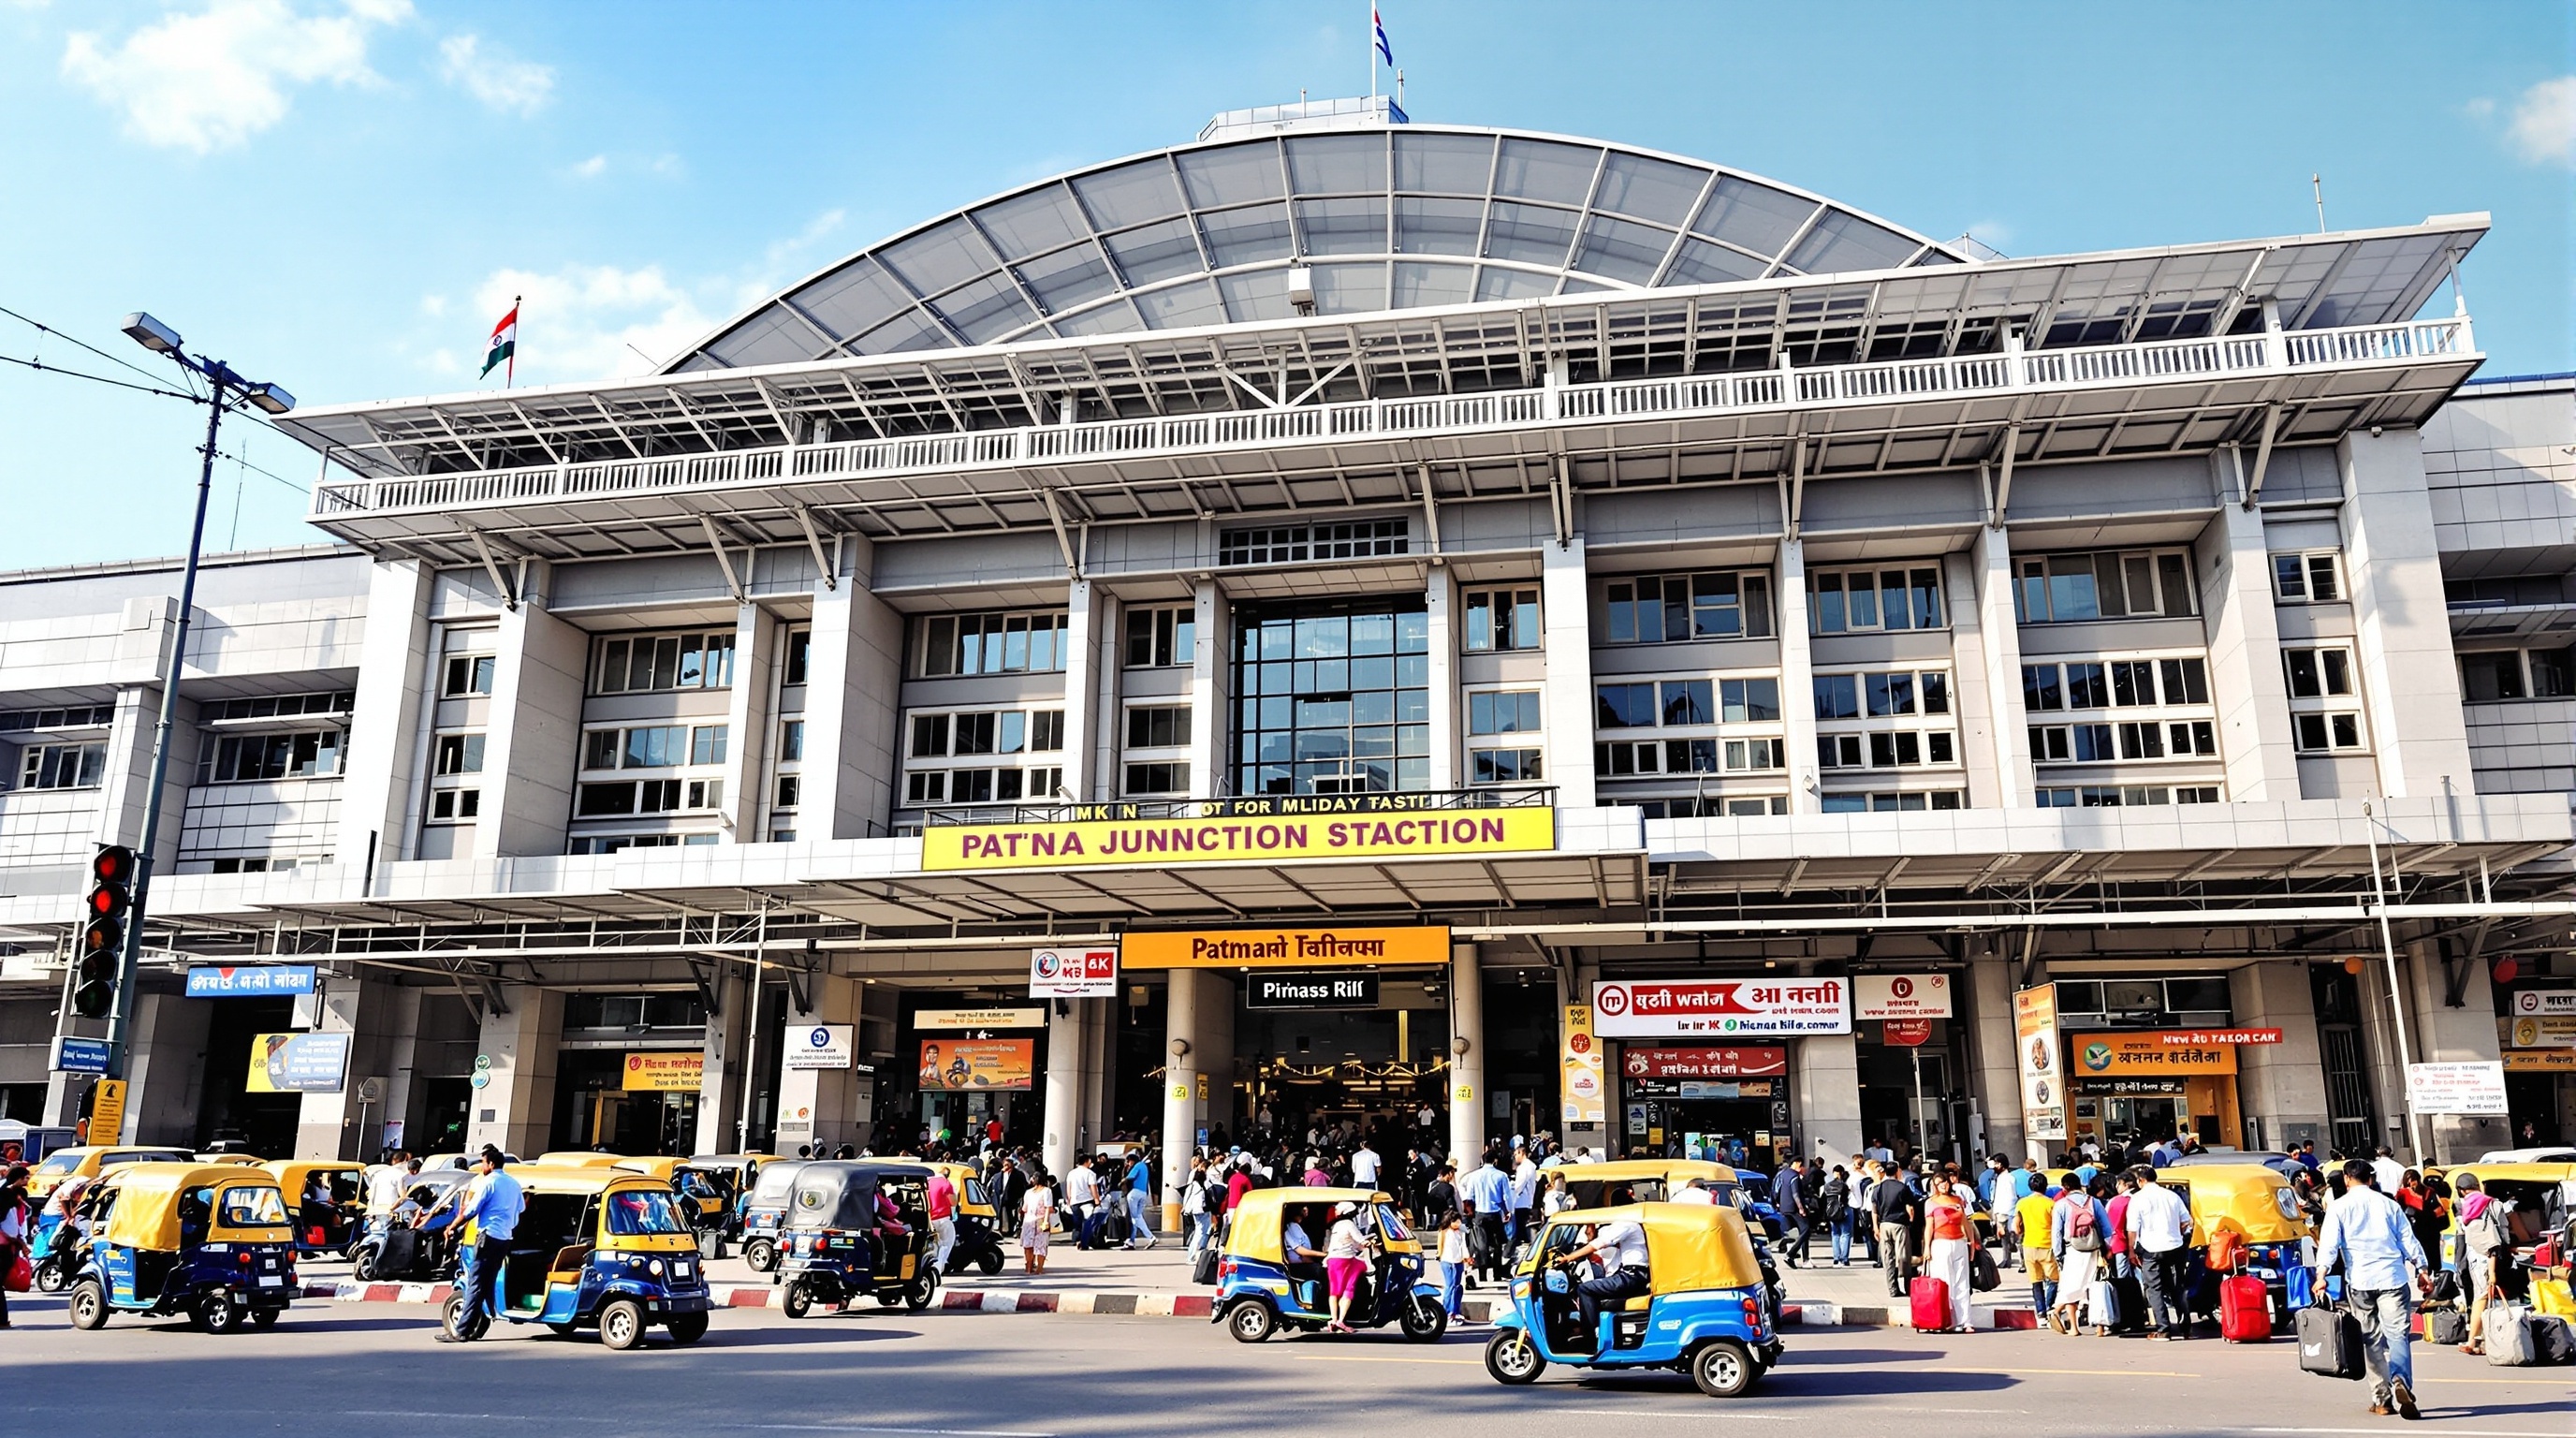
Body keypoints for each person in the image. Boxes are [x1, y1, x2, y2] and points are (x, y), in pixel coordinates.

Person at [2315, 1158, 2428, 1419]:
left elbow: (2329, 1244)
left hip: (2360, 1282)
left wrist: (2322, 1274)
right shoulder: (2389, 1204)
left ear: (2346, 1179)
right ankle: (2401, 1380)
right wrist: (2422, 1270)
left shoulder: (2338, 1207)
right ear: (2371, 1179)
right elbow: (2407, 1239)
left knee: (2371, 1340)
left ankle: (2382, 1399)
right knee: (2398, 1335)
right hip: (2393, 1278)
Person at [425, 1146, 525, 1343]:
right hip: (505, 1239)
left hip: (488, 1237)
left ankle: (461, 1330)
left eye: (484, 1163)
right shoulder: (513, 1184)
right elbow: (521, 1208)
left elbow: (471, 1210)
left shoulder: (488, 1182)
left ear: (491, 1164)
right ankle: (483, 1317)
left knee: (475, 1283)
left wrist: (451, 1227)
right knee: (486, 1281)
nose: (482, 1167)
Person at [2123, 1164, 2194, 1339]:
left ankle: (2164, 1329)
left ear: (2141, 1181)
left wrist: (2131, 1251)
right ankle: (2186, 1328)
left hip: (2151, 1249)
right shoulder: (2172, 1196)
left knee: (2154, 1288)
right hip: (2175, 1247)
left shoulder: (2138, 1199)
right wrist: (2175, 1231)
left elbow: (2132, 1229)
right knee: (2177, 1287)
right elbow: (2187, 1221)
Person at [1559, 1213, 1650, 1345]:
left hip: (1632, 1276)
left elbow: (1598, 1244)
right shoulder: (1626, 1226)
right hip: (1630, 1274)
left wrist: (1568, 1258)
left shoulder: (1627, 1223)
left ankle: (1589, 1338)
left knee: (1585, 1289)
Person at [2453, 1174, 2509, 1355]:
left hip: (2473, 1257)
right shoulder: (2493, 1204)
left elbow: (2462, 1236)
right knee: (2483, 1298)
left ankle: (2478, 1340)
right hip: (2489, 1258)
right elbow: (2501, 1234)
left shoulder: (2462, 1207)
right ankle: (2474, 1341)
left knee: (2481, 1297)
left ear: (2461, 1190)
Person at [2051, 1169, 2109, 1336]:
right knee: (2095, 1286)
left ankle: (2074, 1328)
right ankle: (2100, 1328)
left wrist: (2058, 1255)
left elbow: (2057, 1233)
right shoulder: (2094, 1202)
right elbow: (2106, 1229)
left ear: (2065, 1187)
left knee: (2071, 1287)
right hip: (2094, 1249)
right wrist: (2107, 1249)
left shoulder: (2061, 1205)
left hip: (2073, 1250)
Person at [1922, 1174, 1974, 1332]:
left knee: (1962, 1283)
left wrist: (1972, 1243)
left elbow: (1966, 1223)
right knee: (1945, 1282)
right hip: (1940, 1244)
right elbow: (1929, 1227)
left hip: (1959, 1243)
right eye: (1938, 1183)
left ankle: (1966, 1321)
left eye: (1943, 1181)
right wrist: (1926, 1248)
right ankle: (1946, 1319)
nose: (1942, 1185)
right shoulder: (1930, 1203)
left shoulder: (1958, 1200)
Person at [1323, 1200, 1373, 1334]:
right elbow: (1360, 1240)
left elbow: (1351, 1243)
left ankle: (1333, 1320)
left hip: (1332, 1260)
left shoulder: (1336, 1226)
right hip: (1346, 1261)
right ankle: (1341, 1320)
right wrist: (1369, 1241)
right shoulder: (1349, 1224)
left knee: (1333, 1291)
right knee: (1348, 1289)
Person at [1871, 1161, 1919, 1298]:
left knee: (1888, 1257)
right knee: (1904, 1256)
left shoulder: (1878, 1189)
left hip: (1884, 1225)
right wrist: (1911, 1221)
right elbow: (1910, 1208)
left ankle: (1892, 1288)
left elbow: (1874, 1211)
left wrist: (1876, 1227)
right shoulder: (1902, 1187)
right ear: (1897, 1171)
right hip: (1899, 1225)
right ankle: (1908, 1287)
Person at [2016, 1174, 2060, 1316]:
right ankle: (2049, 1307)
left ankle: (2040, 1310)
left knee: (2036, 1281)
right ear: (2045, 1186)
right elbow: (2057, 1226)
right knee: (2054, 1279)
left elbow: (2016, 1227)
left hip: (2029, 1245)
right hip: (2048, 1245)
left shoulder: (2022, 1203)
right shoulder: (2051, 1204)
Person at [1464, 1157, 1512, 1284]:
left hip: (1479, 1214)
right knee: (1497, 1245)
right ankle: (1497, 1275)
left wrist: (1469, 1214)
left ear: (1481, 1160)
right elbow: (1505, 1196)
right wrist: (1507, 1211)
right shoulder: (1501, 1176)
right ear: (1495, 1160)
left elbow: (1469, 1197)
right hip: (1495, 1213)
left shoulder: (1473, 1176)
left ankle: (1483, 1275)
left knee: (1481, 1245)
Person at [0, 1163, 29, 1328]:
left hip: (5, 1247)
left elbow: (13, 1230)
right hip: (7, 1247)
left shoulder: (9, 1202)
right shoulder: (9, 1200)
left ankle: (2, 1320)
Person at [1771, 1157, 1808, 1268]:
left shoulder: (1782, 1174)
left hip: (1783, 1207)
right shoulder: (1794, 1177)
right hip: (1793, 1208)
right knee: (1805, 1229)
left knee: (1792, 1230)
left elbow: (1775, 1189)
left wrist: (1777, 1202)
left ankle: (1801, 1257)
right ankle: (1791, 1254)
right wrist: (1801, 1208)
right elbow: (1795, 1194)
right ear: (1796, 1164)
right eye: (1801, 1166)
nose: (1803, 1168)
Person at [1018, 1167, 1055, 1276]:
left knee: (1032, 1245)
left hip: (1034, 1221)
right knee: (1038, 1245)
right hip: (1036, 1220)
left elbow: (1025, 1208)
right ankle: (1036, 1268)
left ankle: (1031, 1267)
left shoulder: (1036, 1192)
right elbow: (1049, 1207)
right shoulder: (1044, 1191)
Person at [1437, 1209, 1471, 1322]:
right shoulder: (1445, 1232)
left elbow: (1464, 1245)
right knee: (1450, 1287)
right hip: (1448, 1262)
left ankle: (1455, 1311)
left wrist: (1466, 1258)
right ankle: (1446, 1312)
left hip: (1459, 1262)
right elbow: (1442, 1248)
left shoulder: (1461, 1231)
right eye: (1456, 1221)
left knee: (1457, 1287)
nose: (1458, 1223)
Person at [924, 1164, 958, 1271]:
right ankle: (940, 1266)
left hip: (930, 1219)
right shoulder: (946, 1184)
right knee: (946, 1244)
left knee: (934, 1245)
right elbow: (953, 1202)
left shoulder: (928, 1182)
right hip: (943, 1219)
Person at [1122, 1150, 1156, 1249]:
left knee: (1134, 1218)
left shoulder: (1137, 1166)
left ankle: (1150, 1237)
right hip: (1143, 1193)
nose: (1128, 1163)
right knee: (1138, 1217)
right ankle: (1131, 1241)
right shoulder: (1144, 1166)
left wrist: (1121, 1181)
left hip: (1134, 1193)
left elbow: (1130, 1177)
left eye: (1129, 1161)